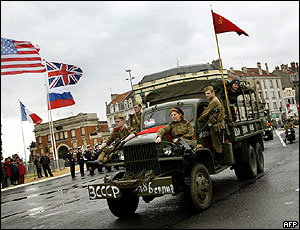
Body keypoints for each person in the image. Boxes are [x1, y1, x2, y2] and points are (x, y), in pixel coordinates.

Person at [198, 85, 225, 168]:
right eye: (206, 94)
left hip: (216, 126)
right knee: (217, 144)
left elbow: (206, 112)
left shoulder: (214, 101)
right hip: (217, 125)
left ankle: (218, 163)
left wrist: (199, 119)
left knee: (216, 144)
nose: (207, 95)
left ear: (213, 93)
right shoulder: (214, 100)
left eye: (208, 93)